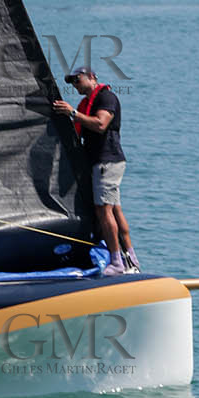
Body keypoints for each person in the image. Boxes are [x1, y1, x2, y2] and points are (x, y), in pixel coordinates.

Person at [53, 67, 139, 276]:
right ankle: (131, 258)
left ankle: (117, 261)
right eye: (72, 82)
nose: (75, 84)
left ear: (92, 77)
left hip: (106, 162)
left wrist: (72, 113)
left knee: (103, 211)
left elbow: (101, 124)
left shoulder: (106, 97)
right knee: (115, 210)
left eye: (78, 79)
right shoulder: (85, 104)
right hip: (100, 163)